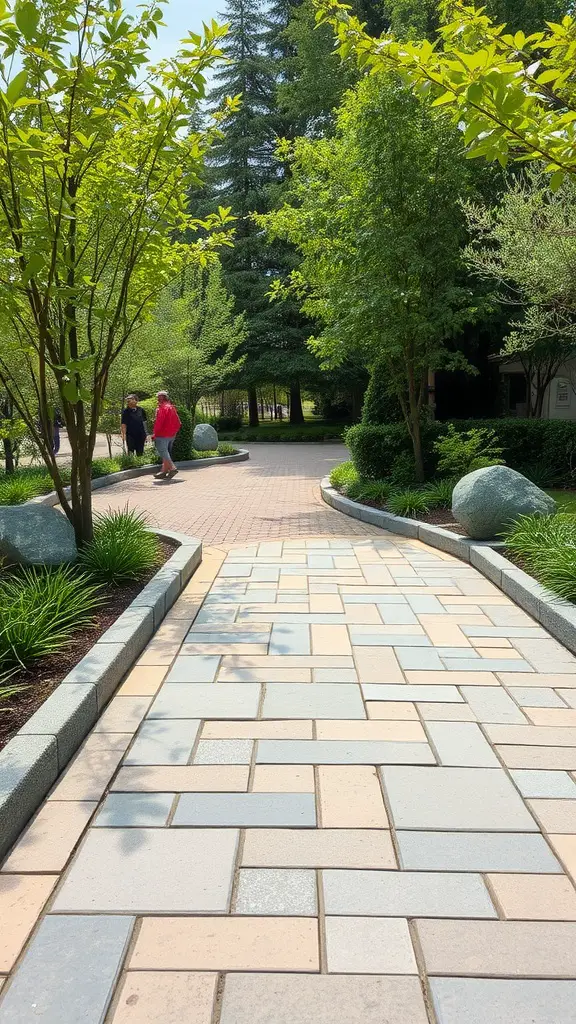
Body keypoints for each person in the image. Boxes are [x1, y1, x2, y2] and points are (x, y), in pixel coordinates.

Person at [152, 390, 181, 479]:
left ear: (160, 398)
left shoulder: (162, 408)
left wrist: (155, 434)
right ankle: (164, 471)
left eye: (158, 397)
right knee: (166, 452)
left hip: (162, 435)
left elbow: (159, 423)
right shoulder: (171, 407)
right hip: (171, 434)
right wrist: (174, 432)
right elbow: (178, 422)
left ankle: (172, 468)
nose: (157, 399)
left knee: (163, 452)